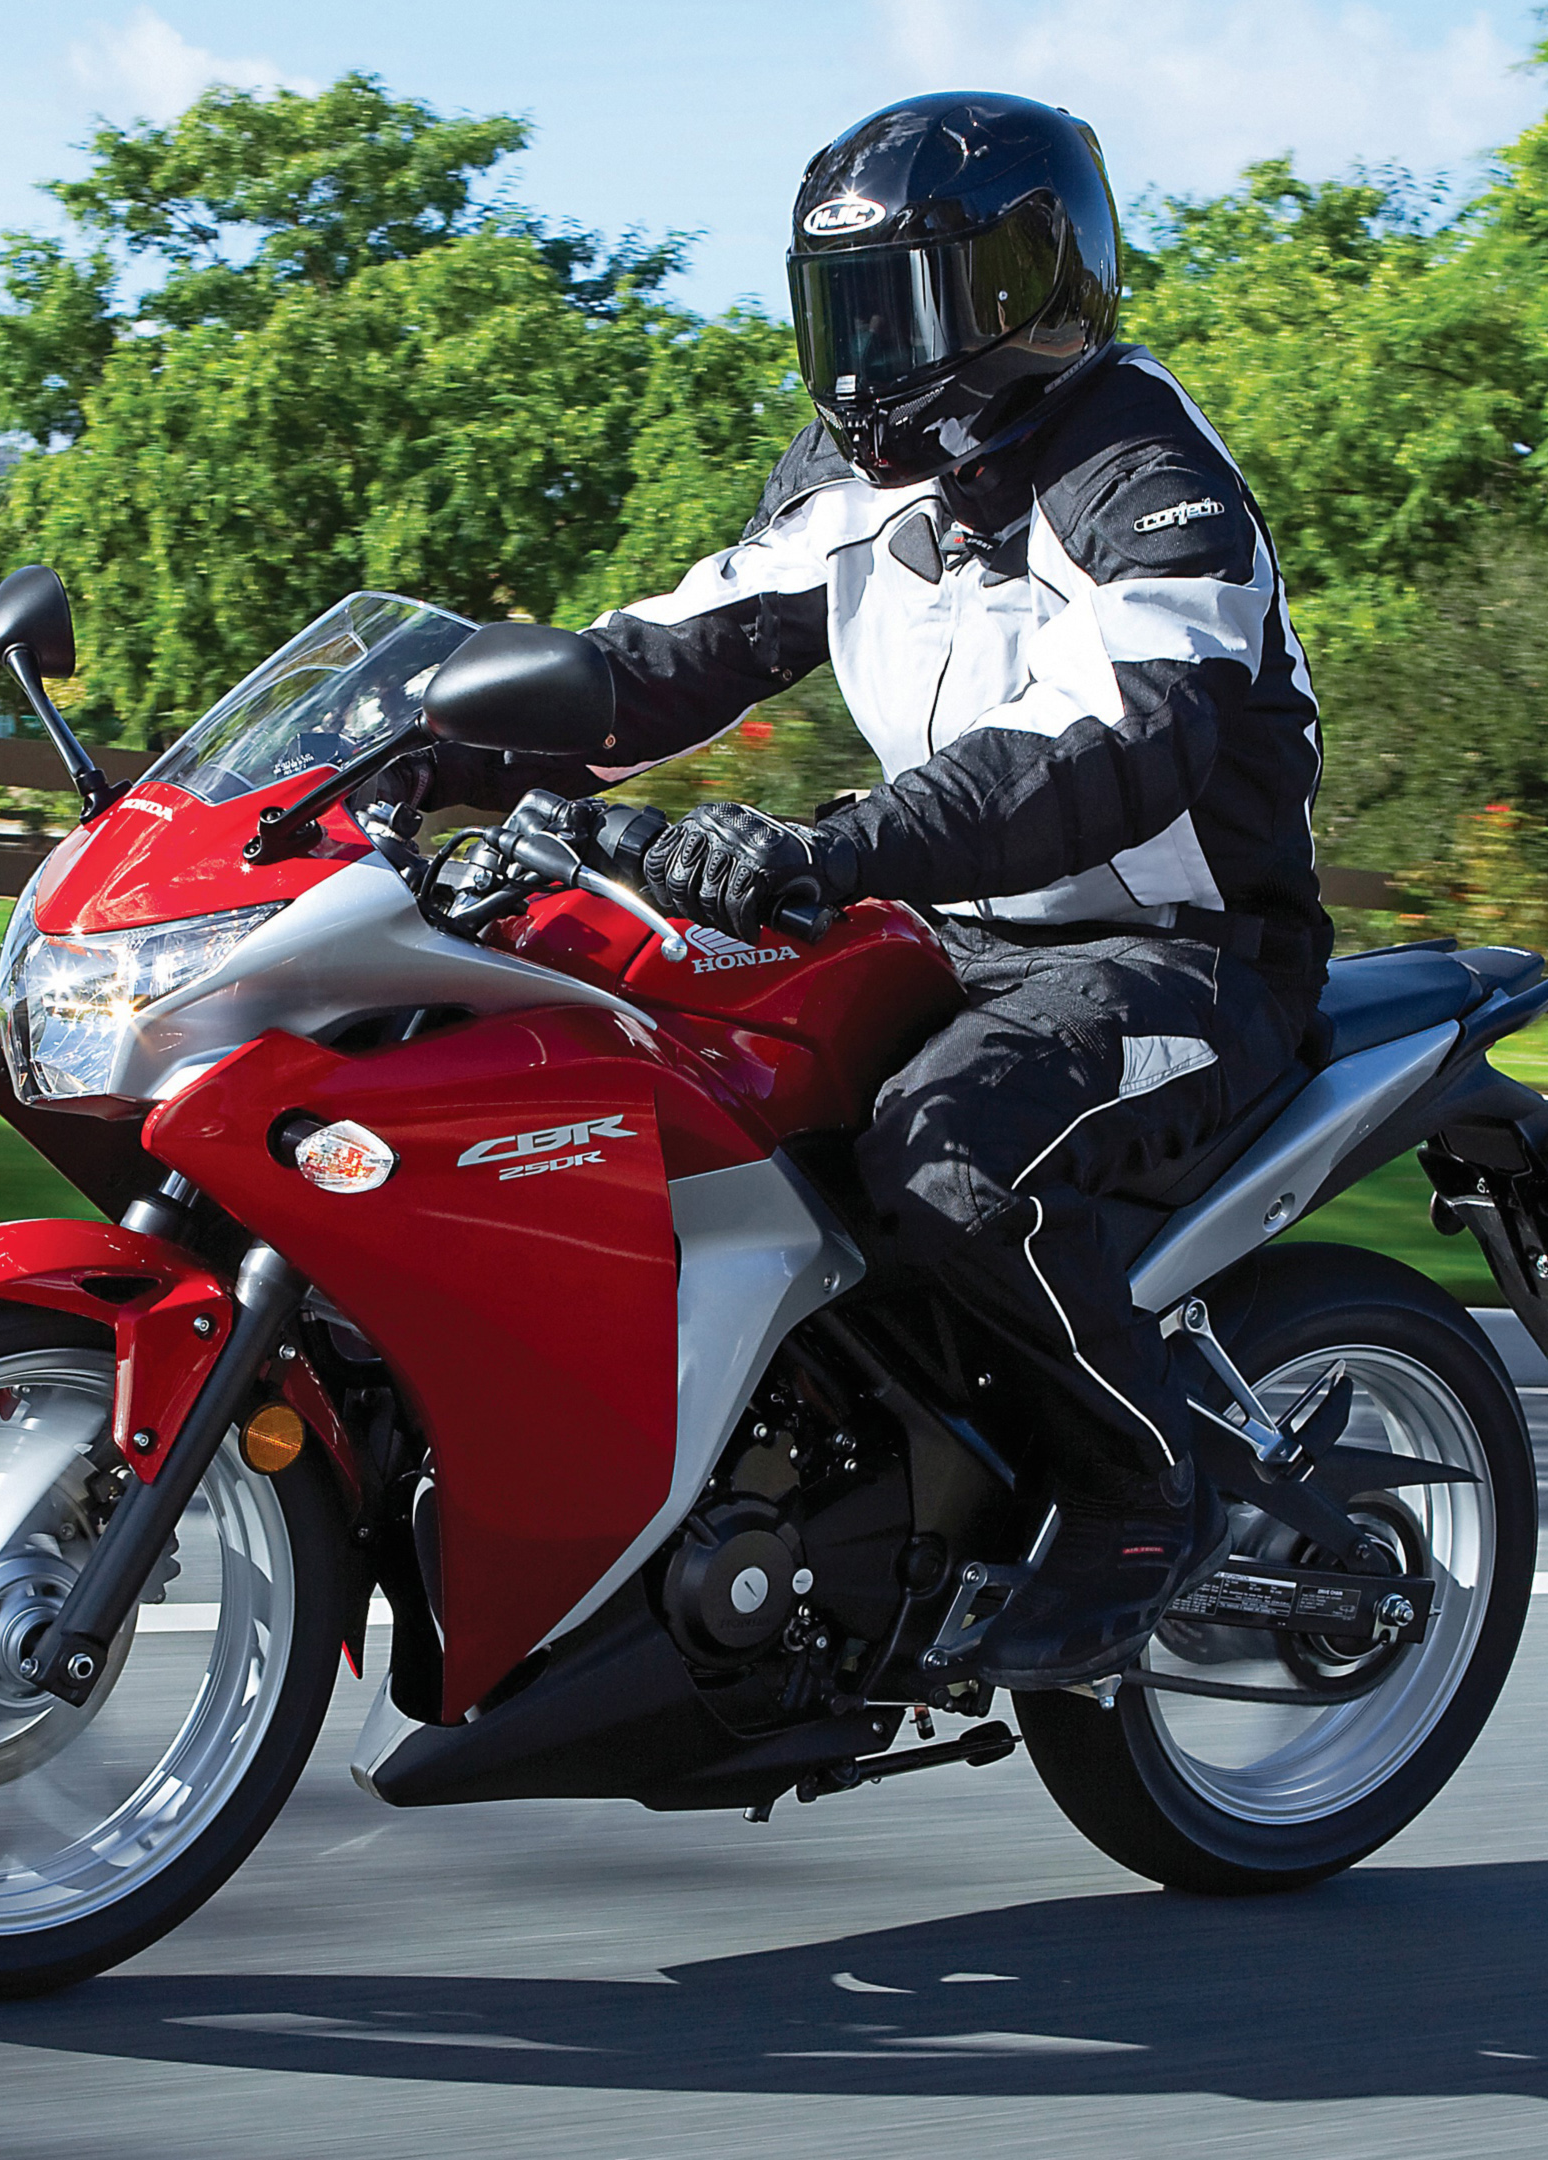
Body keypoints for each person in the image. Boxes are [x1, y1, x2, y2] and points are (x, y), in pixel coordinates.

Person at [414, 91, 1330, 1687]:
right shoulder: (850, 479)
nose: (861, 355)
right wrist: (410, 751)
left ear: (1026, 287)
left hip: (1178, 960)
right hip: (942, 931)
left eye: (901, 304)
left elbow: (1106, 749)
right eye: (839, 306)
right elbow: (665, 660)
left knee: (943, 1164)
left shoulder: (1146, 477)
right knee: (676, 1078)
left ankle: (1141, 1486)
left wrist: (831, 849)